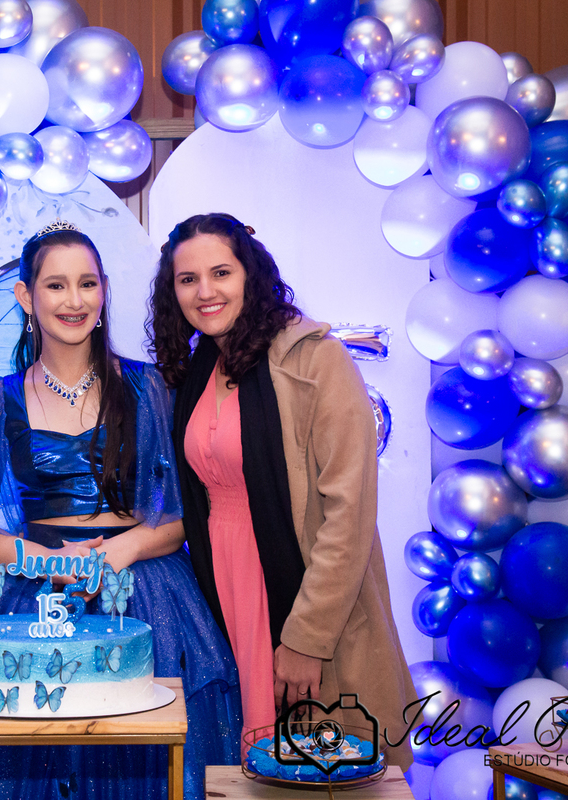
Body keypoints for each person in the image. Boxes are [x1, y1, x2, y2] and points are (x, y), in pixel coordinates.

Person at [0, 220, 241, 800]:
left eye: (88, 283)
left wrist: (120, 551)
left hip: (147, 596)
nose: (73, 300)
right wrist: (47, 561)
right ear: (26, 296)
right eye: (55, 285)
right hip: (38, 602)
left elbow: (182, 517)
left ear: (103, 293)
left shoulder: (150, 387)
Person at [148, 212, 418, 769]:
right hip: (223, 586)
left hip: (302, 591)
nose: (205, 291)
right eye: (187, 279)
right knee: (250, 763)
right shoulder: (197, 368)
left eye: (221, 273)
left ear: (251, 273)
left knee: (324, 766)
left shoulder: (315, 359)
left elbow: (349, 512)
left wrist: (307, 637)